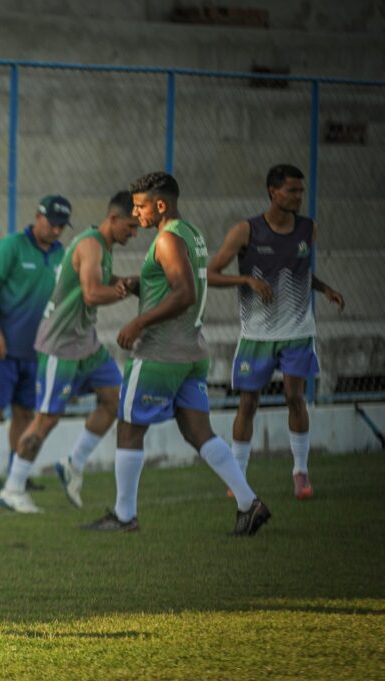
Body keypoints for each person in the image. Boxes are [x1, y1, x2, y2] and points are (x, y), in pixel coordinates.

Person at [82, 171, 271, 536]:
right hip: (192, 352)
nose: (136, 214)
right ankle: (249, 503)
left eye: (140, 206)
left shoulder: (167, 240)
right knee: (198, 431)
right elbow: (177, 285)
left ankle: (125, 516)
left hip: (160, 352)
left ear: (160, 204)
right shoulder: (191, 234)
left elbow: (184, 293)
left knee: (129, 425)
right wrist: (137, 285)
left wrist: (138, 324)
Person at [207, 163, 345, 499]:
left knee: (294, 398)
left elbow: (297, 272)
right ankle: (238, 474)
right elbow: (209, 274)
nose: (299, 196)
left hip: (297, 330)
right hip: (256, 334)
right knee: (248, 402)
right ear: (273, 191)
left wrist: (323, 288)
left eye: (301, 190)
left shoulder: (308, 229)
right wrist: (246, 280)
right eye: (292, 190)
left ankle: (300, 471)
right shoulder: (246, 231)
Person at [0, 191, 140, 514]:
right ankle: (12, 488)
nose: (134, 233)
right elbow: (91, 293)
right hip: (61, 345)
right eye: (130, 226)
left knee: (115, 400)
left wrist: (132, 284)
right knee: (46, 419)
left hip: (85, 343)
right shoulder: (91, 244)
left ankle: (73, 463)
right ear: (113, 218)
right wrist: (121, 293)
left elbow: (101, 281)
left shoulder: (102, 247)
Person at [0, 195, 70, 492]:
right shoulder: (12, 246)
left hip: (36, 348)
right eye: (52, 224)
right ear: (38, 217)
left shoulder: (60, 253)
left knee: (25, 413)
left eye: (61, 226)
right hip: (2, 345)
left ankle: (18, 473)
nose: (56, 231)